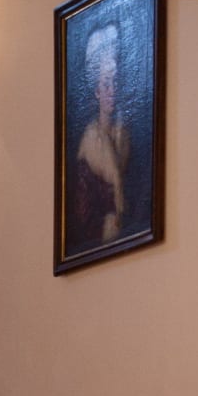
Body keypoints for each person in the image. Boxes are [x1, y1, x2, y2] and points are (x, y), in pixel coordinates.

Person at [74, 22, 130, 244]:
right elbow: (83, 212)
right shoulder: (90, 141)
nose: (112, 91)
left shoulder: (124, 135)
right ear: (97, 91)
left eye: (115, 82)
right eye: (106, 84)